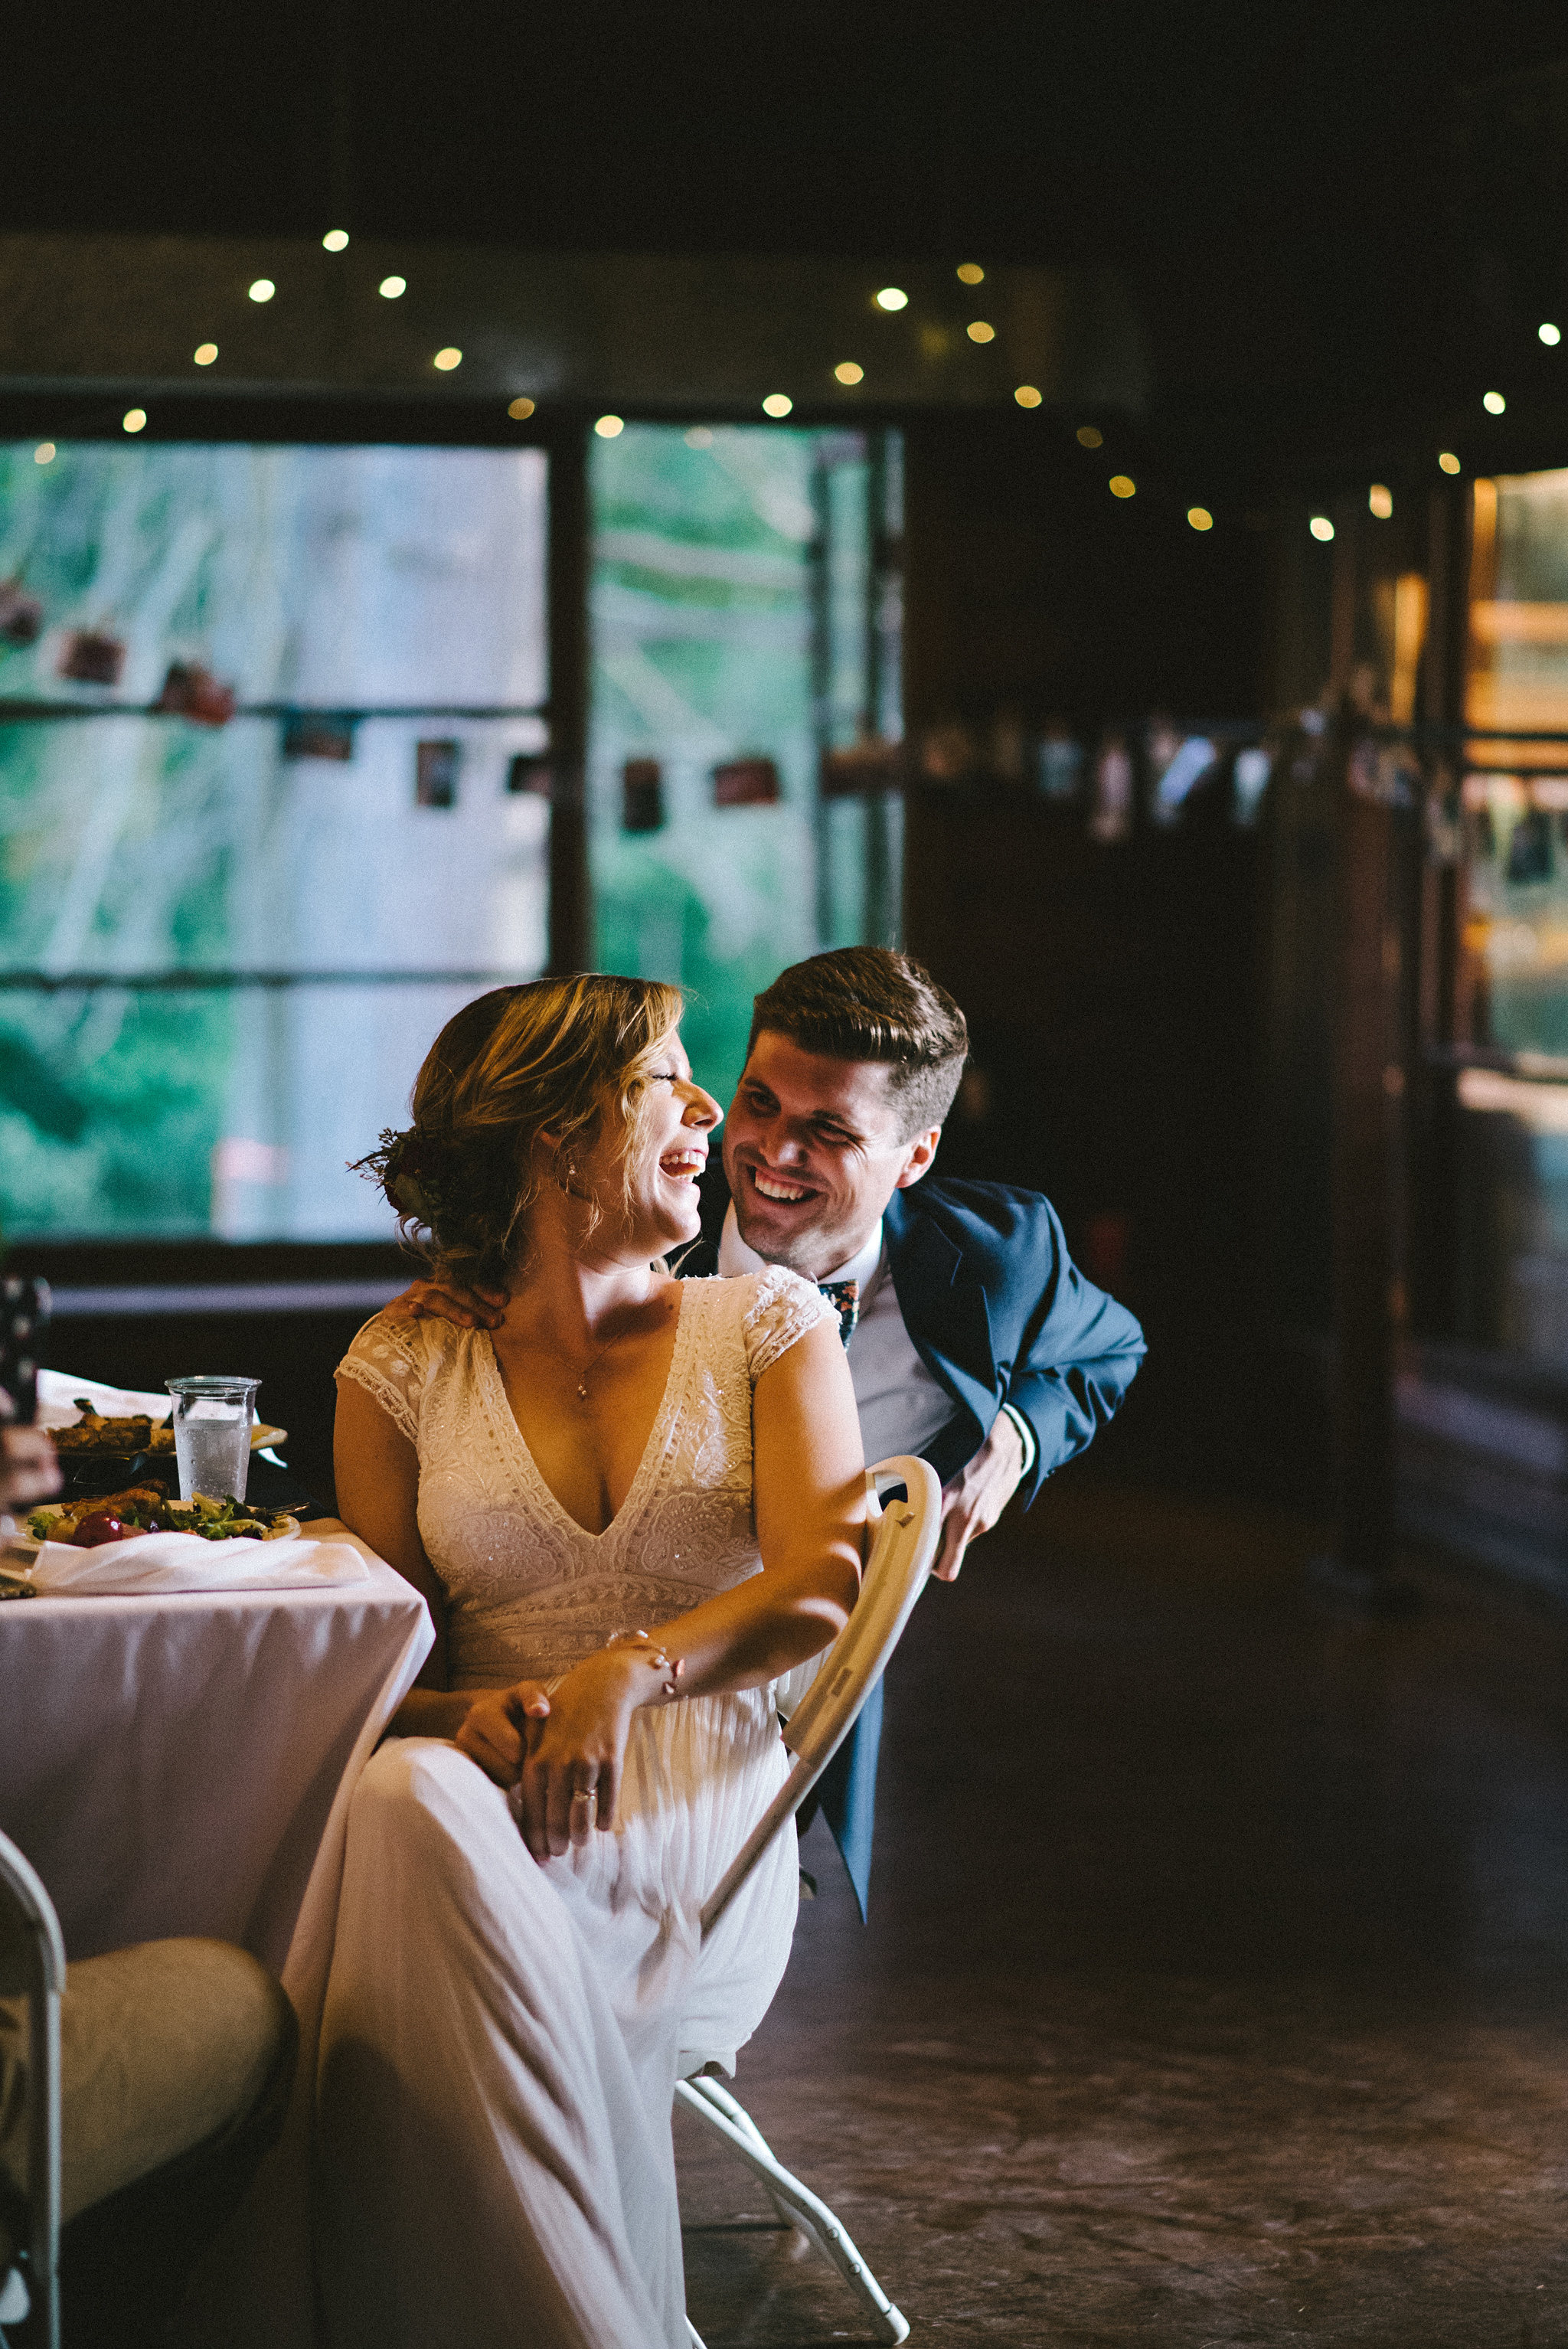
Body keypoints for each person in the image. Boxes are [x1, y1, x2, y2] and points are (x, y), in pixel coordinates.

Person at [318, 975, 866, 2349]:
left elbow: (822, 1584)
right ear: (559, 1133)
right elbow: (383, 1662)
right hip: (479, 1781)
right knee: (403, 1798)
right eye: (664, 1079)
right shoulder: (402, 1363)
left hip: (700, 1808)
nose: (708, 1112)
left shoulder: (767, 1326)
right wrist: (468, 1715)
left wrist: (631, 1672)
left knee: (402, 1854)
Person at [399, 947, 1146, 1911]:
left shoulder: (996, 1257)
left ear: (914, 1156)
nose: (770, 1152)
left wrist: (1015, 1436)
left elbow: (1109, 1349)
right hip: (553, 1676)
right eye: (757, 1102)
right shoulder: (636, 1213)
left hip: (771, 1684)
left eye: (827, 1130)